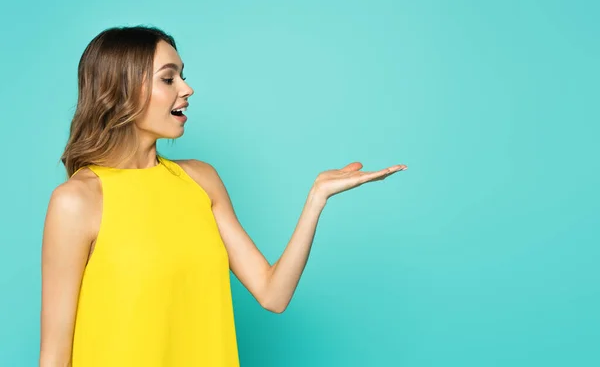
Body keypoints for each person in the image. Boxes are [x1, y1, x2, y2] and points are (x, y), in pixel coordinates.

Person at [39, 25, 408, 367]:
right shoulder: (77, 201)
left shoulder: (201, 180)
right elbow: (55, 354)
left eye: (182, 75)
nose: (187, 88)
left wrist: (316, 198)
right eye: (168, 78)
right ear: (120, 92)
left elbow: (272, 294)